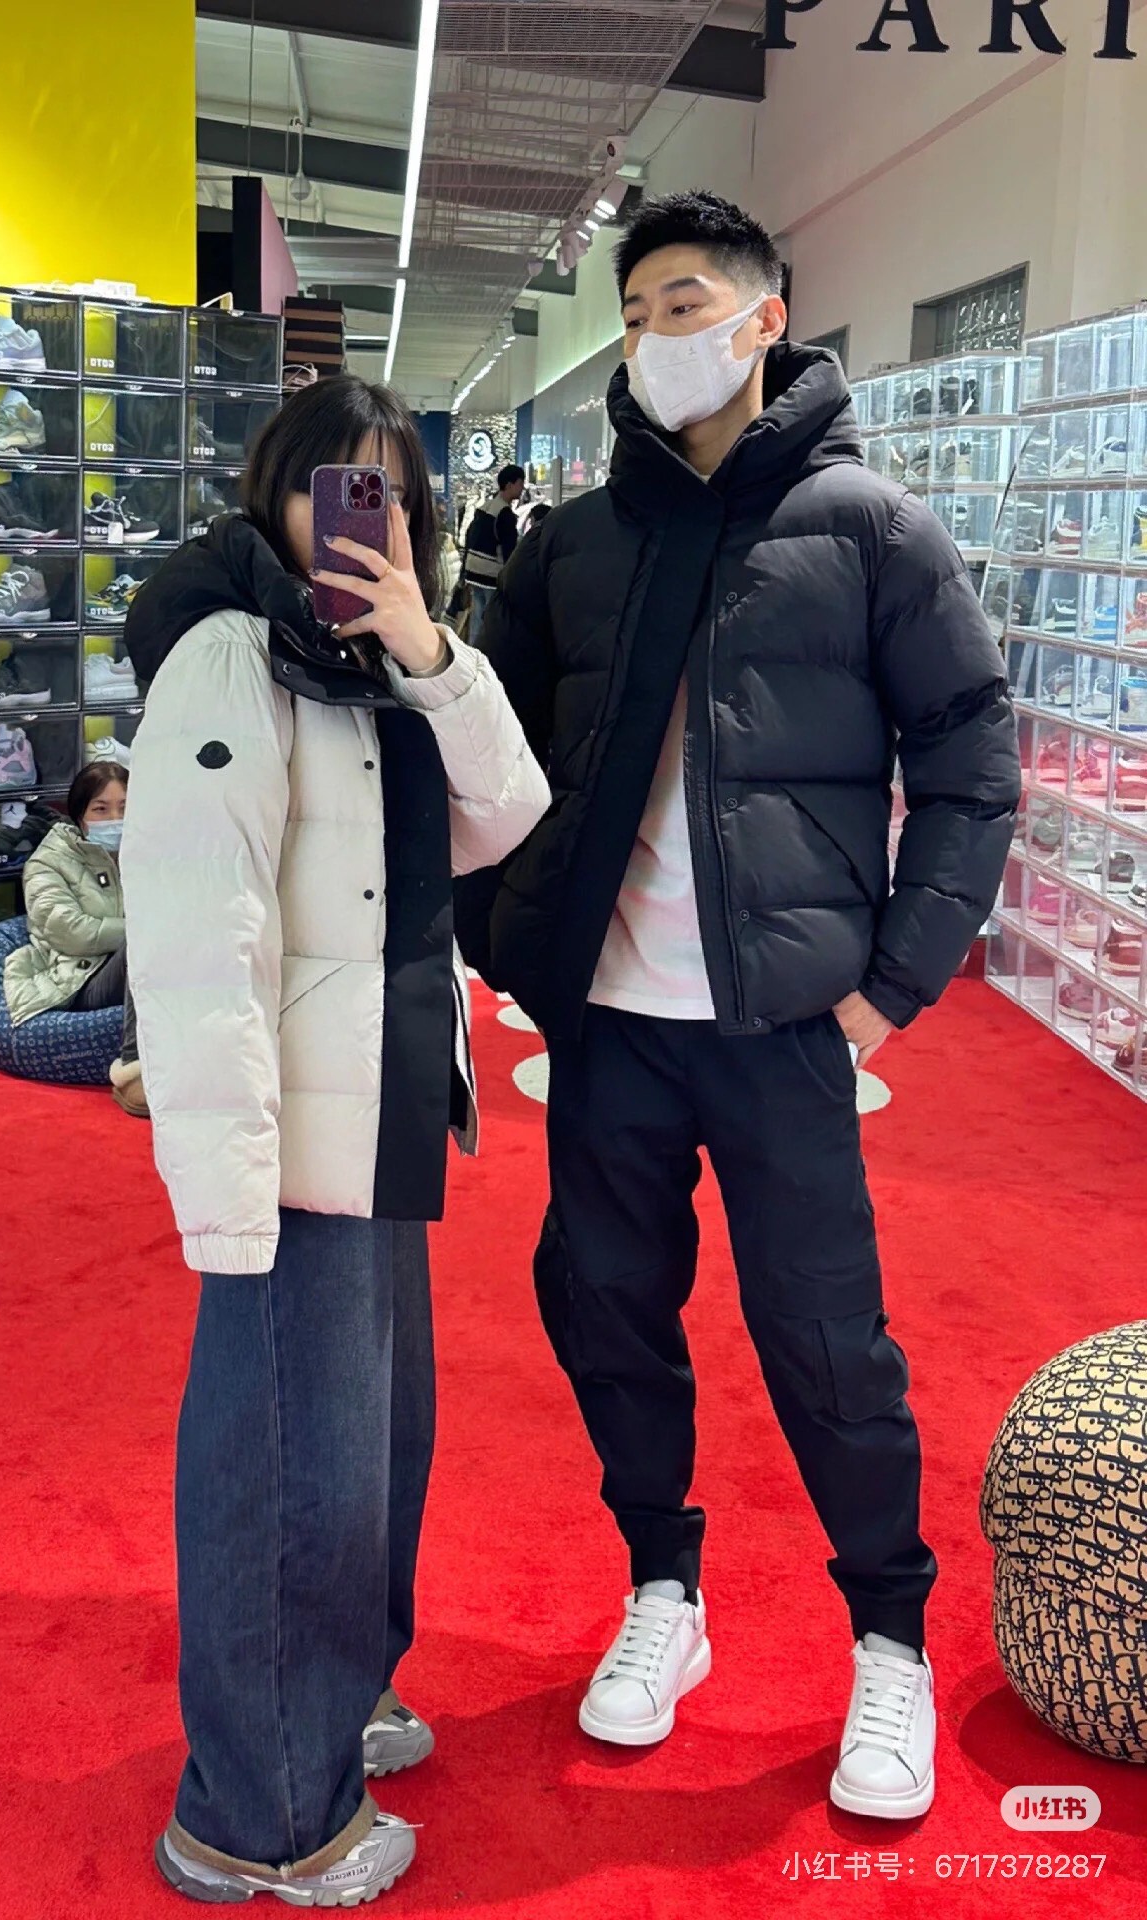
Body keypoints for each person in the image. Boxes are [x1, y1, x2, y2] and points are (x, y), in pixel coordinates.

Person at [456, 190, 1020, 1821]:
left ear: (766, 319)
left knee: (828, 1343)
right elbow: (487, 763)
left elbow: (973, 769)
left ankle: (890, 1642)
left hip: (783, 1030)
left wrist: (886, 991)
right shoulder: (575, 544)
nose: (655, 340)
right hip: (609, 1028)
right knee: (606, 1309)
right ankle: (664, 1589)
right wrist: (507, 944)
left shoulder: (874, 530)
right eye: (636, 315)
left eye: (684, 305)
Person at [120, 375, 549, 1905]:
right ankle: (258, 1815)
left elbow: (508, 810)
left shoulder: (373, 660)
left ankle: (333, 1704)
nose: (364, 520)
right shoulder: (233, 657)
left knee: (370, 1459)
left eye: (393, 495)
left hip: (381, 1116)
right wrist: (229, 1195)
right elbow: (198, 941)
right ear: (277, 493)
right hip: (294, 1148)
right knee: (286, 1471)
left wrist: (430, 649)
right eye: (334, 487)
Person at [2, 760, 144, 1114]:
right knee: (143, 946)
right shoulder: (48, 863)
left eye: (124, 807)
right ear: (79, 815)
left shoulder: (147, 853)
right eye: (101, 809)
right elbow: (72, 933)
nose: (115, 818)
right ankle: (133, 1069)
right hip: (79, 978)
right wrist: (148, 929)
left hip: (131, 967)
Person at [461, 463, 525, 642]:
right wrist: (510, 577)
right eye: (520, 483)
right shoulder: (505, 513)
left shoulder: (484, 507)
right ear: (510, 485)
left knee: (477, 615)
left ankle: (473, 649)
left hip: (473, 569)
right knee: (492, 618)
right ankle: (488, 651)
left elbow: (469, 537)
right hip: (490, 573)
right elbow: (509, 550)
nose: (522, 488)